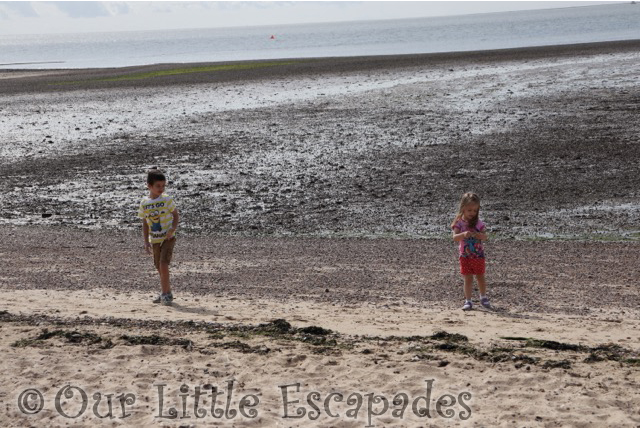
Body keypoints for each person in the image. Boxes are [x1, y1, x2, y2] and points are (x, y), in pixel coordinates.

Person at [138, 168, 179, 306]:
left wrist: (172, 229)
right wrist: (146, 241)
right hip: (154, 239)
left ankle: (166, 295)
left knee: (163, 264)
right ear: (149, 186)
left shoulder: (167, 199)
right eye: (158, 186)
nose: (161, 189)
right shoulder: (144, 203)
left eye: (163, 186)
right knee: (158, 266)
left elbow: (175, 215)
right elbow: (144, 222)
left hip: (168, 238)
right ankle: (165, 292)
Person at [451, 192, 489, 311]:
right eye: (469, 210)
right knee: (468, 278)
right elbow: (455, 237)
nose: (472, 213)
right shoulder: (459, 222)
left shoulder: (478, 223)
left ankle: (483, 297)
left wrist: (480, 235)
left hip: (478, 255)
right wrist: (463, 234)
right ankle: (468, 300)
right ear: (463, 208)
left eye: (475, 211)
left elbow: (485, 236)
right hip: (465, 255)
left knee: (480, 276)